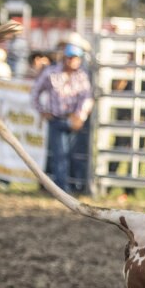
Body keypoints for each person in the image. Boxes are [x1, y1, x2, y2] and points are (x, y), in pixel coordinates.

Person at [30, 42, 93, 193]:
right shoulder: (51, 73)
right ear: (64, 58)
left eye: (75, 58)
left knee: (73, 155)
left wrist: (80, 116)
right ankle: (62, 188)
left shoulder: (82, 76)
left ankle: (75, 186)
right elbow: (35, 92)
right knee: (60, 155)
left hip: (74, 119)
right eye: (70, 58)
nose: (73, 61)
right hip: (56, 119)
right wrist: (42, 111)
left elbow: (87, 97)